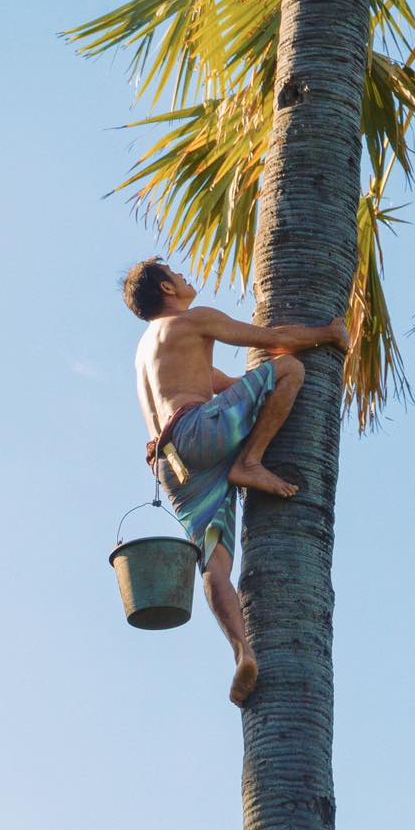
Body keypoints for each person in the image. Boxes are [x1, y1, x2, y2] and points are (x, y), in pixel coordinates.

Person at [123, 258, 349, 707]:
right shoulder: (194, 320)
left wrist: (250, 389)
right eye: (177, 274)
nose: (186, 277)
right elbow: (275, 343)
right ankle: (251, 461)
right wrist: (328, 334)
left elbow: (230, 385)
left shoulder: (148, 351)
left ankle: (243, 651)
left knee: (215, 565)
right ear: (167, 288)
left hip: (171, 465)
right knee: (289, 371)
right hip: (198, 433)